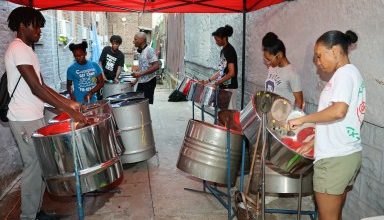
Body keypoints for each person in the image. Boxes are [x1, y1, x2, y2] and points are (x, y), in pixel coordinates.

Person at [5, 7, 85, 220]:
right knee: (33, 166)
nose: (40, 30)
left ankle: (37, 211)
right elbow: (35, 88)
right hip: (23, 118)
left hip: (33, 115)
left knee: (41, 163)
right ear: (23, 26)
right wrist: (68, 110)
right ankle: (28, 216)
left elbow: (42, 85)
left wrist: (67, 103)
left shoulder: (27, 50)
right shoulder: (19, 48)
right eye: (36, 25)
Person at [288, 30, 365, 220]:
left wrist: (304, 119)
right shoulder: (350, 74)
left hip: (335, 160)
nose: (318, 62)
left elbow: (338, 111)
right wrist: (316, 140)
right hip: (345, 154)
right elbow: (339, 120)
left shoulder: (345, 74)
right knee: (334, 215)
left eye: (319, 56)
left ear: (335, 50)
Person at [262, 32, 304, 109]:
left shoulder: (292, 74)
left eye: (269, 59)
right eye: (266, 59)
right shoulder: (272, 68)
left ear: (279, 55)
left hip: (283, 117)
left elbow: (299, 103)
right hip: (270, 113)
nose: (267, 63)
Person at [203, 25, 238, 110]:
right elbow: (221, 71)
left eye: (217, 40)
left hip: (230, 88)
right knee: (223, 114)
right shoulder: (223, 51)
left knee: (229, 115)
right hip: (224, 88)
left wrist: (217, 82)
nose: (216, 42)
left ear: (224, 38)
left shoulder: (230, 51)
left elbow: (232, 72)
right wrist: (208, 80)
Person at [131, 32, 160, 104]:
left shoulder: (149, 50)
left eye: (135, 39)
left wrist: (140, 74)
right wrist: (136, 80)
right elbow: (143, 68)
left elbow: (156, 66)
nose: (133, 41)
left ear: (142, 40)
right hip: (142, 81)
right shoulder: (142, 52)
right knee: (139, 103)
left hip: (149, 82)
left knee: (144, 105)